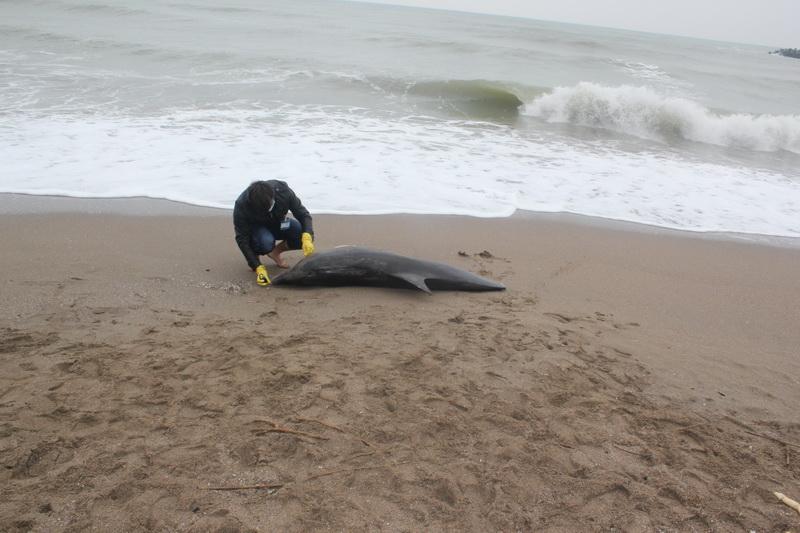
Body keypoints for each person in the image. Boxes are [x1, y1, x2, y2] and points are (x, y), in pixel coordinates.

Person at [233, 180, 315, 286]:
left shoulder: (284, 192)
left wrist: (307, 236)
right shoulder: (241, 205)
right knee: (265, 243)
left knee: (301, 233)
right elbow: (242, 238)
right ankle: (257, 259)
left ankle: (275, 252)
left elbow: (303, 214)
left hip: (278, 222)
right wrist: (256, 266)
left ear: (273, 197)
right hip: (257, 229)